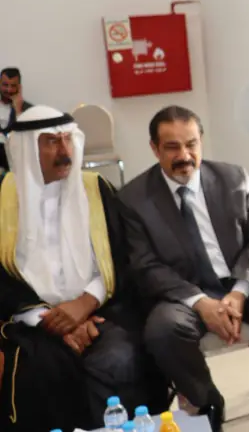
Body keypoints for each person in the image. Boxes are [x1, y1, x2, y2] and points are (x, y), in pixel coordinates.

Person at [118, 105, 249, 432]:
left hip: (241, 280)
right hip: (183, 293)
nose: (184, 156)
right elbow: (145, 267)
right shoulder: (133, 199)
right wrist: (201, 303)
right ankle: (207, 401)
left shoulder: (234, 178)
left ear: (201, 141)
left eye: (191, 144)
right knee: (162, 331)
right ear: (154, 148)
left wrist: (239, 292)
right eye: (172, 147)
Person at [0, 105, 168, 431]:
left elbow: (123, 258)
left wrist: (84, 304)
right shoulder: (3, 200)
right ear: (26, 148)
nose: (64, 151)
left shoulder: (97, 190)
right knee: (40, 369)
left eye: (68, 139)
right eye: (51, 142)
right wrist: (51, 319)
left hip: (102, 310)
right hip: (31, 321)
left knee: (117, 359)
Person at [0, 68, 33, 171]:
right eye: (5, 85)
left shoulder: (28, 110)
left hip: (15, 166)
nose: (9, 90)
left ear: (19, 87)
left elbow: (26, 140)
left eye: (13, 86)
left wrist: (18, 110)